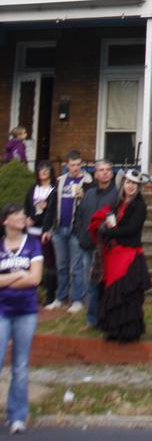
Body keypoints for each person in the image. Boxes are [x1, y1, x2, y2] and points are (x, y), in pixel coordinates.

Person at [91, 168, 152, 342]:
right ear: (123, 184)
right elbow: (111, 222)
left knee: (127, 294)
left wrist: (112, 233)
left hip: (130, 255)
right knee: (112, 292)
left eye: (134, 184)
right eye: (128, 183)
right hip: (115, 254)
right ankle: (113, 330)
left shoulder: (140, 206)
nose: (131, 186)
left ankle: (128, 332)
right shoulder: (118, 204)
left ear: (138, 187)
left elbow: (132, 229)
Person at [0, 203, 44, 434]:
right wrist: (18, 274)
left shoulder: (33, 245)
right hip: (1, 310)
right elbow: (25, 276)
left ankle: (17, 415)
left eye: (22, 214)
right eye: (16, 214)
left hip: (26, 310)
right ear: (6, 221)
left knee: (20, 365)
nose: (21, 217)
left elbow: (35, 279)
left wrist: (5, 278)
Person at [41, 150, 92, 313]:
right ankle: (60, 298)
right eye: (72, 165)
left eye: (78, 165)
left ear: (81, 164)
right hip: (58, 229)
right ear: (67, 165)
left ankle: (77, 300)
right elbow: (51, 207)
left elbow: (91, 205)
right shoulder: (60, 181)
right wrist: (47, 229)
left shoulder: (88, 181)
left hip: (75, 230)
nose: (75, 168)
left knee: (75, 267)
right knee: (61, 266)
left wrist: (83, 195)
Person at [75, 160, 119, 328]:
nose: (105, 173)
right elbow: (79, 216)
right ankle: (92, 320)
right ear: (95, 174)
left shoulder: (116, 194)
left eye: (108, 170)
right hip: (88, 245)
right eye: (101, 170)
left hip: (106, 247)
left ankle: (106, 318)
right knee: (91, 284)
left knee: (105, 284)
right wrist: (80, 235)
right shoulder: (89, 194)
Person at [24, 161, 57, 305]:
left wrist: (36, 218)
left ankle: (50, 296)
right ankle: (30, 294)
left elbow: (51, 212)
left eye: (46, 169)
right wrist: (27, 219)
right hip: (30, 232)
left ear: (51, 171)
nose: (43, 172)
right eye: (40, 170)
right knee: (29, 262)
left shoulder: (54, 190)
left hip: (45, 232)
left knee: (49, 263)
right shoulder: (33, 189)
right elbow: (26, 207)